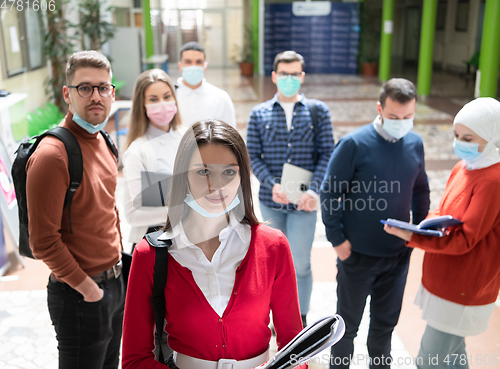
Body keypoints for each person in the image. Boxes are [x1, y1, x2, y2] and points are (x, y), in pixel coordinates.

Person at [122, 120, 305, 369]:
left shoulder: (273, 247)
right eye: (203, 172)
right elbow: (135, 360)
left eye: (229, 172)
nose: (216, 186)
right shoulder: (149, 256)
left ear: (243, 178)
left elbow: (296, 352)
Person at [320, 78, 430, 369]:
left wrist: (417, 232)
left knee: (384, 328)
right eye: (394, 117)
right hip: (356, 255)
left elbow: (420, 189)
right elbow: (330, 191)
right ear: (380, 108)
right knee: (346, 330)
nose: (402, 123)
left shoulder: (415, 143)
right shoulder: (354, 144)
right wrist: (337, 239)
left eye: (408, 117)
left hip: (396, 257)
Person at [384, 97, 500, 369]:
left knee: (429, 359)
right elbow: (445, 208)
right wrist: (420, 224)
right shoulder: (464, 167)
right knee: (453, 355)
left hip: (463, 286)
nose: (460, 143)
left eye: (468, 138)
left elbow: (466, 239)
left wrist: (413, 238)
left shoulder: (493, 180)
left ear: (493, 136)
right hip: (443, 277)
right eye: (457, 135)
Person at [26, 51, 124, 369]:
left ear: (112, 93)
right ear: (67, 93)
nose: (96, 96)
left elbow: (107, 210)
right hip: (80, 293)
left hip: (114, 282)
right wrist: (89, 290)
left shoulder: (104, 141)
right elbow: (43, 242)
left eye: (103, 88)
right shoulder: (53, 156)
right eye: (85, 88)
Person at [246, 50, 335, 327]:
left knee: (300, 262)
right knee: (272, 264)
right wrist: (271, 184)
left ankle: (299, 317)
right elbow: (252, 155)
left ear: (302, 77)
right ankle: (273, 316)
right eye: (283, 74)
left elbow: (327, 154)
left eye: (294, 74)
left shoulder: (317, 111)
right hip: (270, 201)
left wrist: (314, 191)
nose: (289, 79)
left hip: (303, 203)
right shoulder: (259, 114)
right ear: (274, 76)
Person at [122, 68, 185, 245]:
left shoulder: (189, 138)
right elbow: (132, 215)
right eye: (153, 99)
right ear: (142, 105)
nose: (162, 104)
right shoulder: (137, 151)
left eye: (167, 96)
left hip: (189, 240)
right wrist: (181, 211)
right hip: (155, 244)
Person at [176, 41, 237, 128]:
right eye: (188, 62)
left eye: (198, 62)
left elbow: (231, 134)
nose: (193, 66)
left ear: (205, 66)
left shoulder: (221, 97)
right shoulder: (169, 97)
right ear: (180, 66)